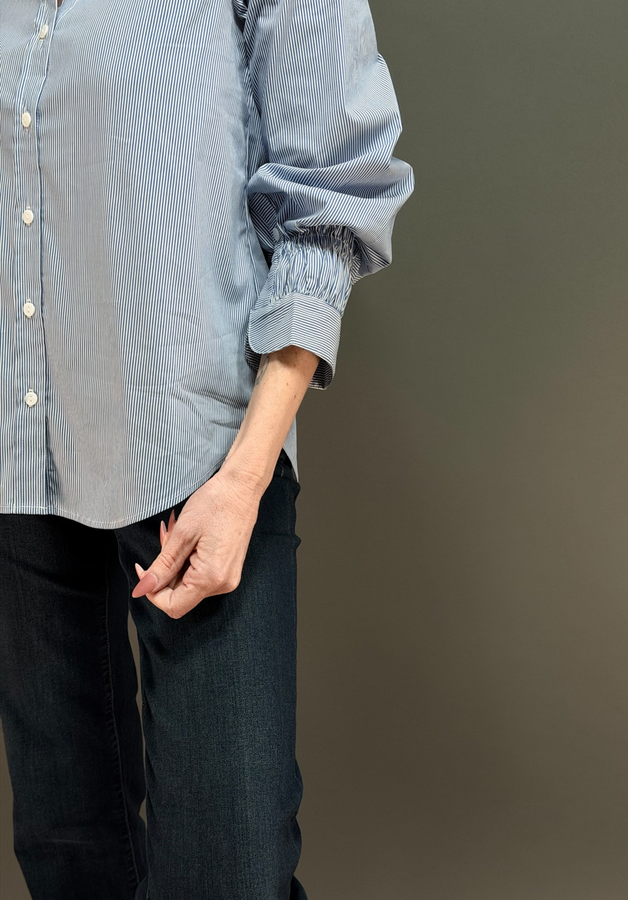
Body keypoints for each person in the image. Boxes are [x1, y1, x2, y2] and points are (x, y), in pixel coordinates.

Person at [0, 0, 414, 898]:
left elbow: (334, 192)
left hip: (200, 462)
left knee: (227, 870)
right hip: (20, 457)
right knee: (68, 852)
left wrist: (248, 475)